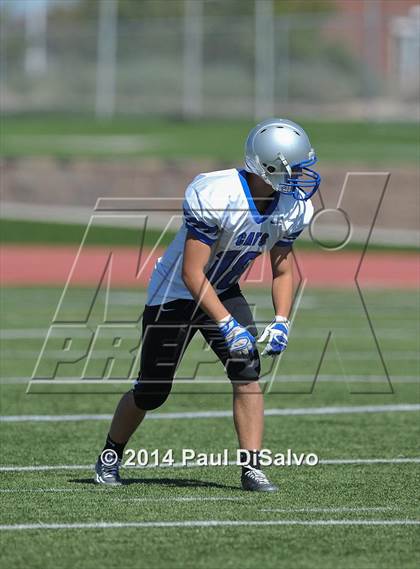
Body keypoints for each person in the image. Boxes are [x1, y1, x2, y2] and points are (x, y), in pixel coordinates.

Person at [94, 118, 320, 491]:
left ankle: (252, 469)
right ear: (267, 166)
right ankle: (109, 457)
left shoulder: (291, 207)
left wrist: (282, 319)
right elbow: (192, 273)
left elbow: (282, 269)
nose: (300, 176)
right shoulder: (217, 193)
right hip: (176, 294)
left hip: (225, 287)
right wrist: (228, 325)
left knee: (247, 373)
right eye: (292, 168)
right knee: (152, 390)